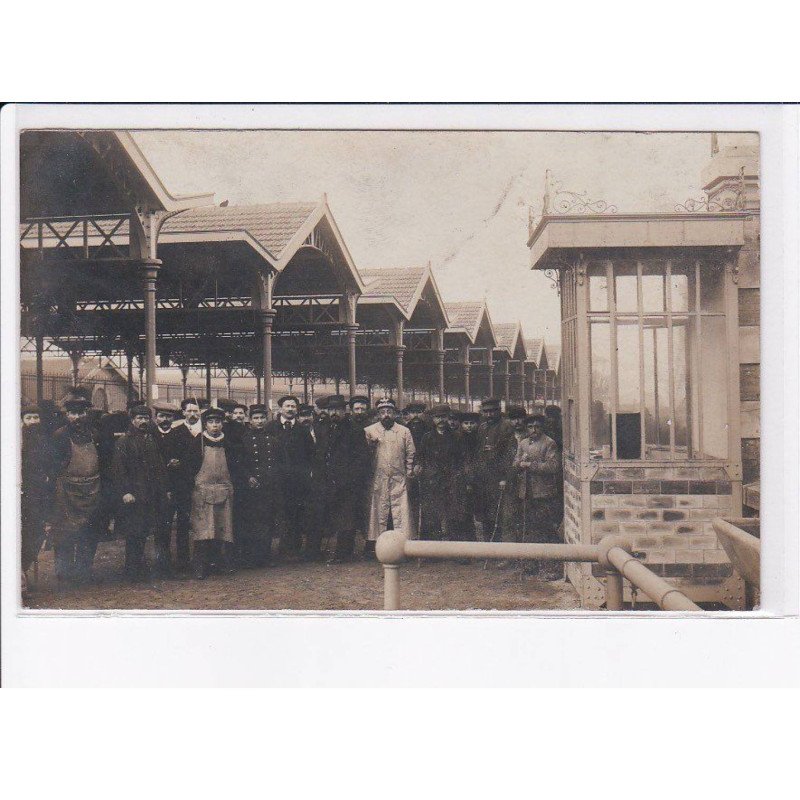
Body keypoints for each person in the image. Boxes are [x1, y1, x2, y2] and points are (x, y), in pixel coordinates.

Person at [112, 405, 170, 582]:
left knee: (147, 530)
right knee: (134, 533)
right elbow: (119, 469)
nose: (143, 421)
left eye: (146, 418)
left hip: (152, 493)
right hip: (134, 495)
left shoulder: (152, 439)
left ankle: (146, 568)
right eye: (139, 418)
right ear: (133, 420)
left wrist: (164, 489)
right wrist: (125, 492)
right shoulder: (124, 442)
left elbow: (160, 467)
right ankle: (132, 570)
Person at [48, 398, 103, 584]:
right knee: (65, 532)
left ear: (86, 414)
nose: (77, 417)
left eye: (81, 413)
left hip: (92, 489)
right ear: (67, 415)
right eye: (73, 414)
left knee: (89, 532)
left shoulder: (94, 434)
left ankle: (84, 571)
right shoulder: (60, 435)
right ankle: (64, 573)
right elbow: (53, 465)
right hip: (67, 491)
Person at [185, 406, 242, 579]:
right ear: (205, 424)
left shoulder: (229, 443)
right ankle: (200, 566)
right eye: (211, 422)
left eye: (218, 421)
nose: (215, 425)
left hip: (224, 490)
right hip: (203, 492)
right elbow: (189, 469)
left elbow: (235, 467)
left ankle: (218, 563)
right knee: (203, 531)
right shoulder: (198, 442)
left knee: (221, 530)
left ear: (222, 424)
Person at [316, 395, 370, 563]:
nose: (334, 413)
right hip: (329, 481)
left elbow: (362, 458)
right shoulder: (325, 429)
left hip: (348, 483)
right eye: (331, 409)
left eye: (338, 410)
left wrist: (350, 479)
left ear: (344, 410)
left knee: (347, 518)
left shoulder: (354, 429)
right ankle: (336, 551)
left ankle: (343, 553)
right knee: (334, 516)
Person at [365, 398, 417, 551]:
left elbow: (410, 453)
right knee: (378, 512)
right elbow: (364, 455)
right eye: (382, 412)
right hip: (378, 478)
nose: (386, 415)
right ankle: (376, 547)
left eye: (389, 412)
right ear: (378, 414)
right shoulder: (369, 431)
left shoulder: (404, 431)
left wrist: (409, 472)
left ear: (394, 413)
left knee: (400, 513)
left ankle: (403, 546)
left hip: (398, 479)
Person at [513, 415, 562, 578]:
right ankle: (530, 565)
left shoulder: (549, 443)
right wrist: (520, 464)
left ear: (542, 428)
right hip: (526, 493)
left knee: (545, 529)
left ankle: (552, 567)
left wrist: (530, 465)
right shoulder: (523, 443)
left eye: (537, 427)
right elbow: (515, 463)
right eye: (531, 427)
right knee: (528, 529)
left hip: (544, 493)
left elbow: (553, 466)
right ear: (526, 428)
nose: (534, 430)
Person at [267, 394, 315, 560]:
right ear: (280, 409)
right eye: (287, 406)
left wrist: (305, 473)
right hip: (277, 479)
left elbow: (311, 454)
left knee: (296, 512)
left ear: (296, 410)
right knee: (280, 512)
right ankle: (281, 548)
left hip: (297, 481)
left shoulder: (302, 430)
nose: (290, 409)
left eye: (293, 406)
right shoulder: (271, 428)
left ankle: (293, 548)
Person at [239, 404, 284, 567]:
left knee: (267, 520)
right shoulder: (244, 439)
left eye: (262, 418)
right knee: (252, 521)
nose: (259, 421)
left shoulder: (273, 439)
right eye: (256, 418)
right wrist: (248, 476)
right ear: (250, 420)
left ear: (266, 419)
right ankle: (250, 557)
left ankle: (265, 556)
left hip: (269, 486)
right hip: (252, 487)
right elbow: (240, 462)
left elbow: (279, 463)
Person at [166, 397, 204, 573]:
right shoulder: (176, 432)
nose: (193, 414)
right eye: (189, 411)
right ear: (183, 413)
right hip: (183, 484)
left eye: (196, 411)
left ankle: (202, 559)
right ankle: (183, 560)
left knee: (203, 522)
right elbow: (172, 458)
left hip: (203, 483)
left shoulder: (205, 432)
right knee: (183, 521)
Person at [415, 404, 463, 540]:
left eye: (444, 417)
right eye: (437, 418)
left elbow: (461, 459)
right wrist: (419, 466)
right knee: (431, 515)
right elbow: (420, 456)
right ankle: (431, 550)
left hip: (451, 480)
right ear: (432, 419)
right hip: (432, 480)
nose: (441, 421)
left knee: (453, 515)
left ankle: (455, 550)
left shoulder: (456, 437)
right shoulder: (427, 437)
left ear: (448, 418)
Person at [474, 397, 517, 544]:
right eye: (486, 412)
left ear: (499, 411)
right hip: (484, 477)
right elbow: (478, 452)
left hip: (499, 477)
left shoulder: (506, 427)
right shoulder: (482, 427)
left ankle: (498, 548)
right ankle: (488, 546)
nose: (489, 415)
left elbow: (510, 455)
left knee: (499, 514)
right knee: (486, 514)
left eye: (492, 411)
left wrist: (504, 477)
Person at [21, 405, 53, 576]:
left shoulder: (43, 440)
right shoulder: (16, 441)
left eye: (35, 417)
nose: (33, 421)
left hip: (37, 495)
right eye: (29, 418)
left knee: (36, 533)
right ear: (22, 421)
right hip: (20, 494)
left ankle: (22, 569)